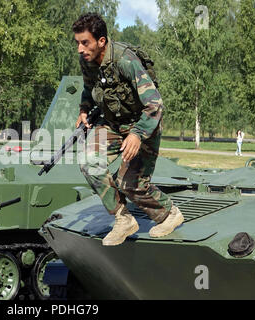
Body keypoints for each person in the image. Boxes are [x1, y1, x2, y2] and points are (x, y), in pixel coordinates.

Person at [73, 13, 184, 246]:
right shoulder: (87, 62)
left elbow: (155, 104)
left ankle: (170, 214)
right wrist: (84, 109)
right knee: (88, 162)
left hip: (143, 124)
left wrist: (137, 134)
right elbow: (88, 89)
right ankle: (123, 219)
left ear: (101, 41)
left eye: (85, 43)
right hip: (113, 124)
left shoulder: (125, 60)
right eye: (77, 43)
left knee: (130, 183)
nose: (80, 49)